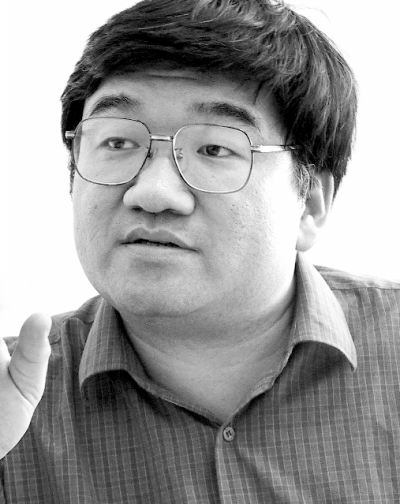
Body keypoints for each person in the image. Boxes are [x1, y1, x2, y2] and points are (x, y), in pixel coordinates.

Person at [1, 0, 399, 502]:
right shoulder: (13, 401)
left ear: (310, 205)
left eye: (215, 149)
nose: (152, 193)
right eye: (118, 142)